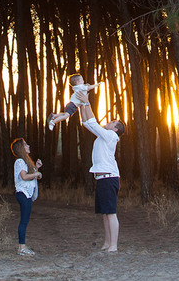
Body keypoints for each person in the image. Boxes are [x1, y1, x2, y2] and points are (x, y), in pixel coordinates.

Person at [78, 98, 126, 254]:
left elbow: (93, 123)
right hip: (101, 179)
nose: (109, 122)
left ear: (115, 129)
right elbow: (87, 123)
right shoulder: (103, 136)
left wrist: (87, 102)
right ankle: (107, 242)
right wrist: (81, 105)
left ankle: (114, 245)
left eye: (112, 122)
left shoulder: (111, 136)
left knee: (111, 212)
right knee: (105, 213)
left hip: (109, 178)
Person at [11, 137, 42, 256]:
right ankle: (22, 247)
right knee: (24, 220)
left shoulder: (24, 162)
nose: (28, 146)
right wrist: (36, 173)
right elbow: (24, 177)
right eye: (25, 144)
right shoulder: (19, 161)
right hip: (23, 193)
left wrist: (37, 168)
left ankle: (22, 246)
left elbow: (31, 176)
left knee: (25, 220)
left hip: (27, 194)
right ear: (21, 148)